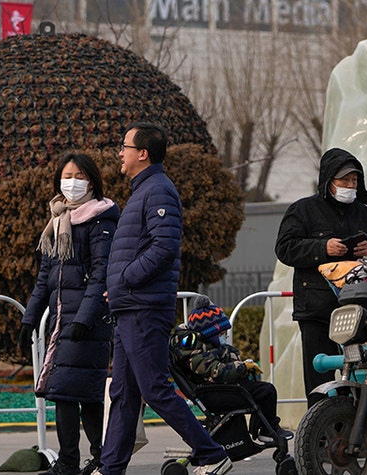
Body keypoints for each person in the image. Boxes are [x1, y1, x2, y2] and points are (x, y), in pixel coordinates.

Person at [98, 122, 231, 475]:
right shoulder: (144, 190)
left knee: (154, 389)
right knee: (124, 394)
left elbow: (164, 246)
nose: (120, 153)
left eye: (124, 146)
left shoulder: (158, 190)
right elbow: (143, 248)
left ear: (142, 153)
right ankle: (110, 468)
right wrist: (120, 286)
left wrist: (126, 278)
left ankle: (211, 452)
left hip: (144, 308)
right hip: (130, 306)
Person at [19, 153, 120, 475]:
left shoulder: (101, 219)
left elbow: (102, 273)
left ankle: (69, 462)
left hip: (86, 321)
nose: (72, 182)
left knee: (65, 390)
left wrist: (84, 319)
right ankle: (102, 459)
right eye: (67, 175)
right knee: (83, 393)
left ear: (91, 180)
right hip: (64, 319)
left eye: (79, 175)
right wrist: (29, 319)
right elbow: (45, 277)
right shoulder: (59, 220)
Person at [275, 147, 367, 399]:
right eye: (344, 180)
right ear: (329, 181)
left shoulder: (366, 215)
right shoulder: (303, 210)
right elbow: (285, 249)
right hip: (316, 310)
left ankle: (358, 428)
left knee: (361, 375)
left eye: (354, 180)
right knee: (318, 376)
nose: (350, 185)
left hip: (359, 313)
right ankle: (319, 431)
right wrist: (322, 247)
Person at [169, 296, 292, 443]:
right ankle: (268, 430)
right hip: (215, 395)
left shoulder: (201, 350)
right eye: (221, 334)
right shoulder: (197, 354)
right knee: (267, 391)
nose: (224, 337)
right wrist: (242, 367)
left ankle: (264, 428)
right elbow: (217, 372)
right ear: (210, 334)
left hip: (218, 391)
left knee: (260, 390)